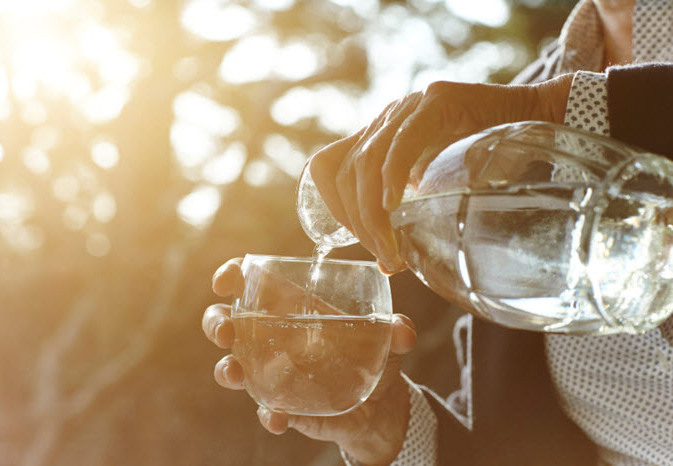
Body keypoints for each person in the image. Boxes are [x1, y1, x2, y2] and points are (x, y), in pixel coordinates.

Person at [204, 0, 673, 464]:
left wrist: (555, 108)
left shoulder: (524, 109)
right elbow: (517, 444)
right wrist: (383, 427)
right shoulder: (509, 114)